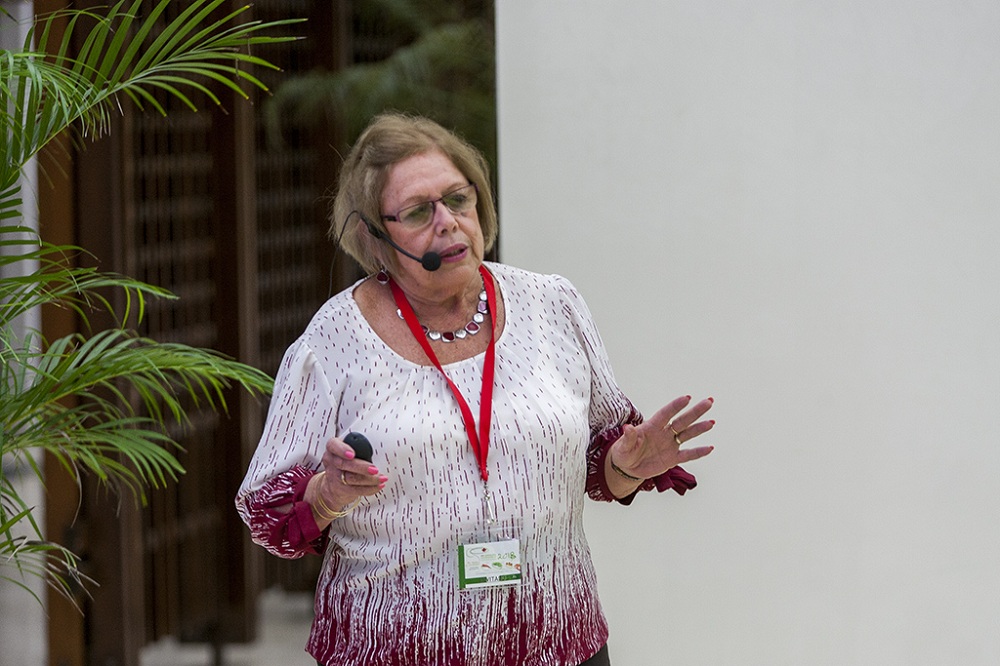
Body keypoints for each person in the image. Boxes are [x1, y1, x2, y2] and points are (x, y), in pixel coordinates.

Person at [236, 113, 716, 666]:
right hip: (396, 649)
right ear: (375, 235)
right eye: (419, 212)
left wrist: (628, 462)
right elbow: (268, 517)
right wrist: (328, 494)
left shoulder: (551, 306)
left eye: (458, 200)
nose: (448, 223)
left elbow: (597, 459)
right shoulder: (335, 338)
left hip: (557, 641)